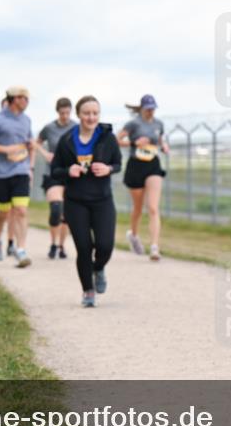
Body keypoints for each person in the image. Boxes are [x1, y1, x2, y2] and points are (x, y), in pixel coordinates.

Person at [50, 96, 122, 308]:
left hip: (102, 200)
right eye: (86, 113)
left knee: (105, 245)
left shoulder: (107, 137)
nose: (91, 117)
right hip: (76, 201)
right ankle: (88, 291)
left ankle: (98, 268)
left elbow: (118, 163)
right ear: (78, 115)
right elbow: (55, 171)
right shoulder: (66, 140)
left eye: (95, 113)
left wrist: (108, 169)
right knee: (83, 247)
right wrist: (68, 171)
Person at [0, 85, 34, 267]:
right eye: (23, 98)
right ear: (14, 99)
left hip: (21, 170)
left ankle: (21, 249)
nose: (26, 101)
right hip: (0, 172)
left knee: (20, 210)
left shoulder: (27, 120)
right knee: (4, 212)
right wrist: (6, 149)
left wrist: (30, 166)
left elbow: (29, 143)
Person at [118, 94, 168, 260]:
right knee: (138, 208)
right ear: (141, 109)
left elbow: (160, 140)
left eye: (153, 108)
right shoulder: (133, 124)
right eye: (148, 109)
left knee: (153, 207)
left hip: (152, 164)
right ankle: (133, 234)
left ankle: (154, 247)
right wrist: (134, 143)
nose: (151, 112)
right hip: (135, 164)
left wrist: (164, 146)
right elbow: (117, 140)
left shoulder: (158, 124)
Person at [35, 97, 76, 260]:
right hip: (52, 173)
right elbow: (36, 143)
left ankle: (61, 245)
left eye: (67, 112)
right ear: (57, 112)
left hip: (71, 174)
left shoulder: (76, 127)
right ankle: (52, 243)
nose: (65, 116)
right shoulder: (49, 128)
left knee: (66, 214)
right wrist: (45, 154)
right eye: (62, 113)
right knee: (56, 209)